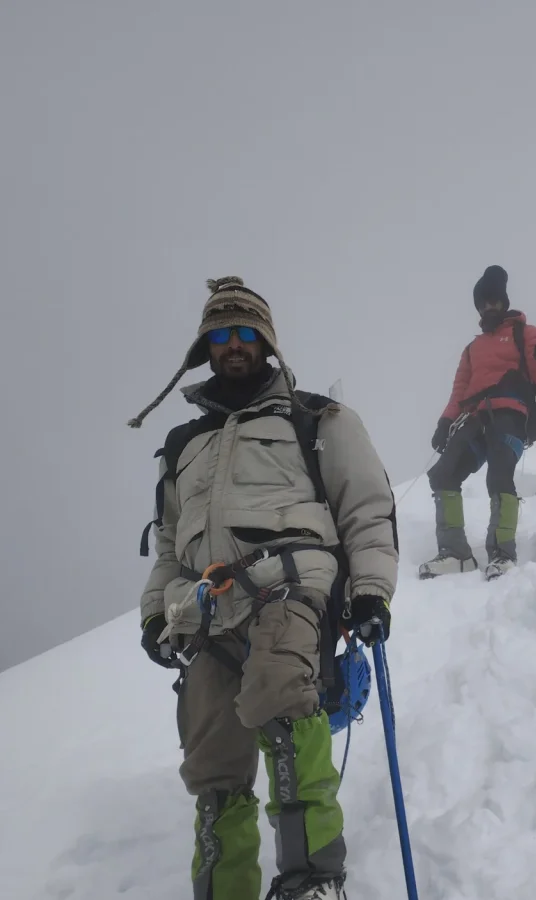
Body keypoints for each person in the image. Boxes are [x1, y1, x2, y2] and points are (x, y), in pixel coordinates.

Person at [129, 276, 399, 900]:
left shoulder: (316, 419)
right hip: (205, 610)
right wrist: (154, 614)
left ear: (266, 341)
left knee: (279, 697)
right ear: (205, 347)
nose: (233, 344)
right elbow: (171, 547)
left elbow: (366, 507)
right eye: (220, 334)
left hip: (292, 580)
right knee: (211, 762)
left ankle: (313, 879)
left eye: (245, 332)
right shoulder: (182, 447)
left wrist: (371, 592)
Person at [421, 265, 536, 581]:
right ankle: (455, 553)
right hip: (473, 417)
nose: (487, 308)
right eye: (482, 303)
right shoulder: (472, 349)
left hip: (510, 415)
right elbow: (459, 391)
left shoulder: (526, 333)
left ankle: (502, 553)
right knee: (443, 474)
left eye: (493, 301)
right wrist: (445, 421)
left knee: (499, 475)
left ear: (503, 302)